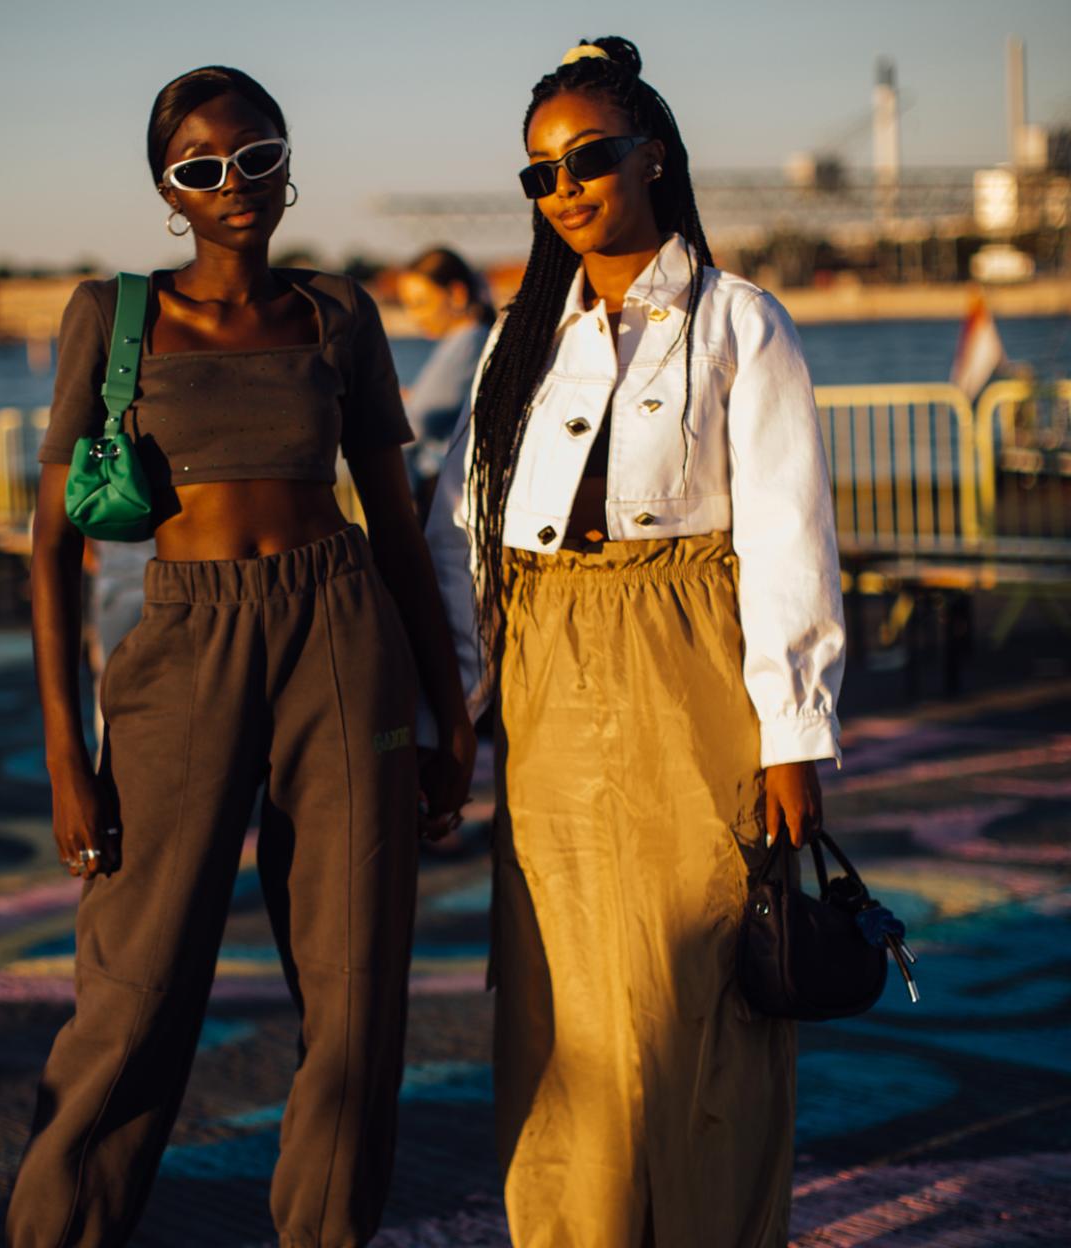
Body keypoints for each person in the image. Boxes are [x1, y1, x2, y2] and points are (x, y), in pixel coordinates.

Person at [6, 65, 475, 1248]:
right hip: (183, 648)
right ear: (168, 188)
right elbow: (51, 546)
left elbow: (393, 518)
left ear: (283, 160)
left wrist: (447, 705)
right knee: (136, 986)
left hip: (341, 633)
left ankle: (324, 1232)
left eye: (256, 158)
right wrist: (68, 753)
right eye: (202, 169)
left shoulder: (337, 315)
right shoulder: (111, 319)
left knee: (357, 985)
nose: (235, 187)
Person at [425, 37, 846, 1248]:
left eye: (590, 157)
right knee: (564, 1002)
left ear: (653, 152)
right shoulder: (521, 345)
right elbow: (476, 545)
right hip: (548, 690)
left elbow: (786, 538)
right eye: (541, 173)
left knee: (703, 986)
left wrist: (794, 736)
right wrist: (460, 712)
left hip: (688, 669)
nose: (566, 188)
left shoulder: (738, 323)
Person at [395, 248, 493, 516]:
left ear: (457, 294)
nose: (415, 316)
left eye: (420, 303)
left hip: (444, 491)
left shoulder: (468, 341)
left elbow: (416, 422)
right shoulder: (468, 340)